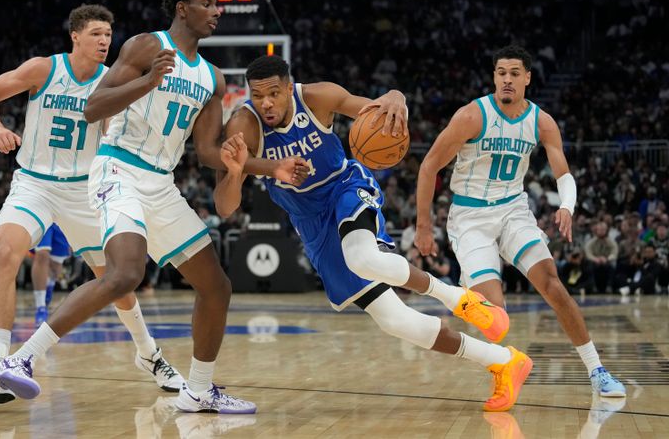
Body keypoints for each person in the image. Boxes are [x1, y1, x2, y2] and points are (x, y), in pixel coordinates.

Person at [0, 0, 308, 414]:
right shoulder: (145, 46)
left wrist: (265, 165)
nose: (217, 11)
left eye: (216, 5)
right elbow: (93, 107)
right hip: (117, 168)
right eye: (207, 4)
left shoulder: (214, 79)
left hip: (160, 182)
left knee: (216, 286)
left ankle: (198, 390)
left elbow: (208, 152)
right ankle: (23, 358)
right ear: (182, 8)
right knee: (124, 273)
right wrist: (147, 81)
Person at [213, 54, 531, 412]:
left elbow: (378, 110)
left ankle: (460, 299)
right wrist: (236, 172)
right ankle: (504, 361)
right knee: (397, 322)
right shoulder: (244, 125)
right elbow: (225, 207)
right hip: (311, 223)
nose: (266, 103)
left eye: (274, 93)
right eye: (258, 96)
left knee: (363, 257)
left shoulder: (317, 97)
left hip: (343, 188)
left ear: (289, 87)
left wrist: (396, 96)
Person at [0, 4, 182, 404]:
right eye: (96, 33)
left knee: (116, 280)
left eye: (108, 34)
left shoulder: (111, 85)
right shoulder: (44, 70)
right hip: (34, 183)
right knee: (8, 250)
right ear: (75, 36)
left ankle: (150, 354)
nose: (104, 41)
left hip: (85, 190)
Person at [414, 45, 626, 397]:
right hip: (470, 216)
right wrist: (423, 226)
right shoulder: (472, 116)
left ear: (527, 77)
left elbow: (563, 172)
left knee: (553, 285)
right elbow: (429, 165)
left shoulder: (541, 122)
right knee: (496, 317)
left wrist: (568, 206)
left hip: (513, 209)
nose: (507, 79)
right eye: (501, 73)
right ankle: (506, 363)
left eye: (514, 73)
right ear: (494, 77)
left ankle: (597, 371)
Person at [31, 224, 71, 325]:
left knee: (56, 265)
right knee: (42, 254)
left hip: (61, 217)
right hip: (42, 214)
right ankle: (40, 307)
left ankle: (49, 285)